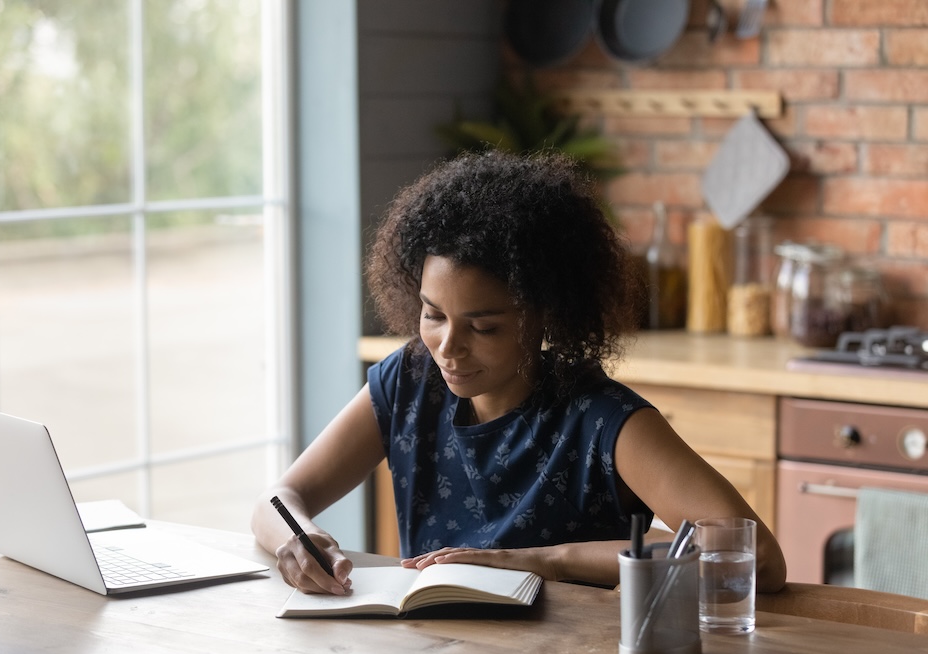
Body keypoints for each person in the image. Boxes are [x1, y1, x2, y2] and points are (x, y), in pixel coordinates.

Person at [251, 150, 786, 596]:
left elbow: (755, 558)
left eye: (483, 327)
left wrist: (549, 560)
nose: (447, 348)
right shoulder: (409, 382)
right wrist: (297, 539)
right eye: (433, 315)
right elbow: (278, 500)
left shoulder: (602, 421)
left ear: (546, 316)